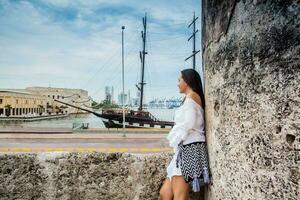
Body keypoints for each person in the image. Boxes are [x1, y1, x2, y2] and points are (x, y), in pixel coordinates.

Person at [159, 68, 211, 200]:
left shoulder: (192, 96)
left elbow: (189, 123)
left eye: (179, 80)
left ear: (187, 81)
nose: (177, 83)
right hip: (184, 150)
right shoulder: (190, 98)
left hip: (189, 151)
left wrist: (174, 137)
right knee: (165, 193)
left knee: (179, 197)